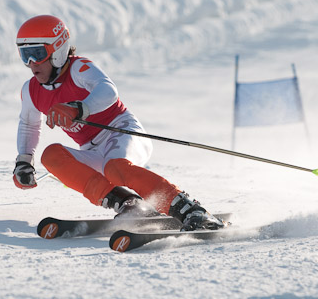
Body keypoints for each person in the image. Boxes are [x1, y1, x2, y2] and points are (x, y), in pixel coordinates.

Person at [12, 15, 225, 231]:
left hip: (121, 131)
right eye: (25, 55)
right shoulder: (31, 91)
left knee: (115, 168)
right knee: (51, 155)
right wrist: (24, 161)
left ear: (58, 51)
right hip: (92, 151)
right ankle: (127, 203)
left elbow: (108, 90)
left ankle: (191, 210)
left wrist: (79, 108)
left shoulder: (78, 69)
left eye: (37, 54)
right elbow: (29, 124)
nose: (31, 64)